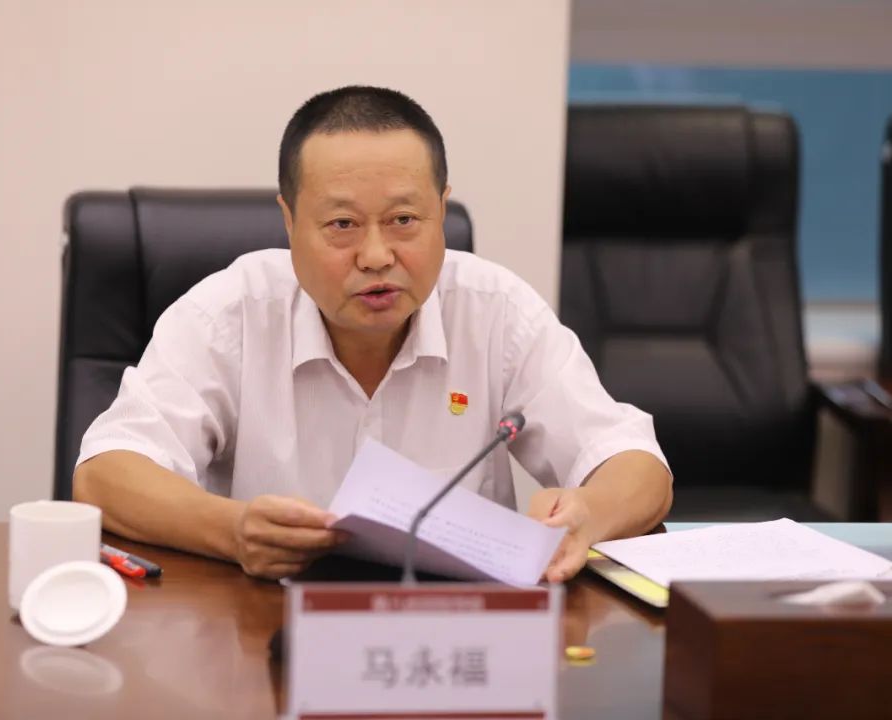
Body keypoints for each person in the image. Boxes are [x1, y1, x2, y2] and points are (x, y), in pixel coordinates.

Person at [74, 85, 672, 583]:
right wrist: (231, 530)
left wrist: (589, 514)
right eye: (343, 224)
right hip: (265, 633)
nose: (377, 255)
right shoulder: (229, 315)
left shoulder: (496, 311)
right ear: (289, 221)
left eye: (404, 220)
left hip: (456, 636)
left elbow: (636, 464)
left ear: (442, 211)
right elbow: (105, 473)